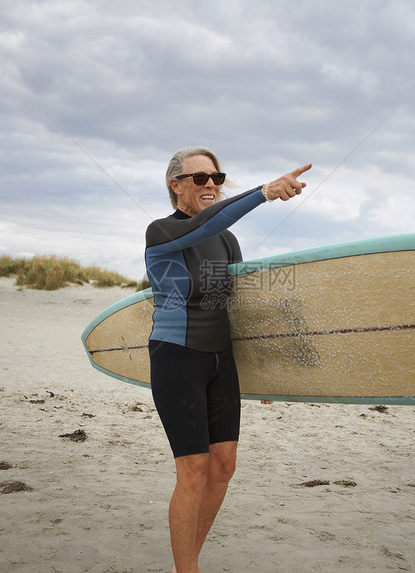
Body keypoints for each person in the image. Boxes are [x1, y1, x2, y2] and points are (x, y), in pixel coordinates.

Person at [145, 146, 311, 573]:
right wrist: (264, 192)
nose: (210, 186)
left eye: (217, 179)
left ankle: (189, 562)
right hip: (177, 356)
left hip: (222, 359)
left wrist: (266, 367)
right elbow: (203, 225)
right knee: (194, 471)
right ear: (175, 185)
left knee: (223, 467)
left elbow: (238, 307)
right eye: (200, 178)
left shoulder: (227, 240)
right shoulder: (161, 233)